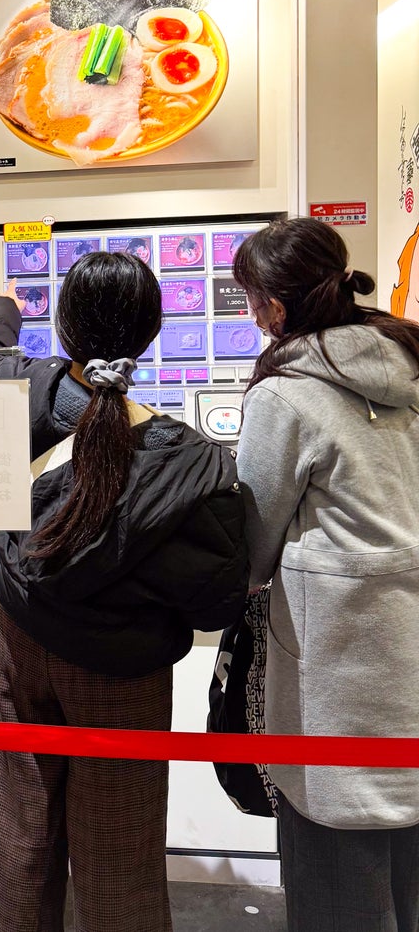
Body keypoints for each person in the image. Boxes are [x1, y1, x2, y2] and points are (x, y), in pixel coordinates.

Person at [0, 251, 248, 932]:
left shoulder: (21, 392)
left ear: (62, 329)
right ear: (150, 336)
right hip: (123, 675)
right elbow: (215, 598)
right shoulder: (189, 460)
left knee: (21, 843)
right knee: (121, 856)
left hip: (18, 648)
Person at [233, 217, 419, 932]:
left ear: (273, 309)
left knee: (336, 879)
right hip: (404, 660)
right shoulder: (404, 358)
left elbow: (253, 540)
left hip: (339, 673)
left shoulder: (287, 394)